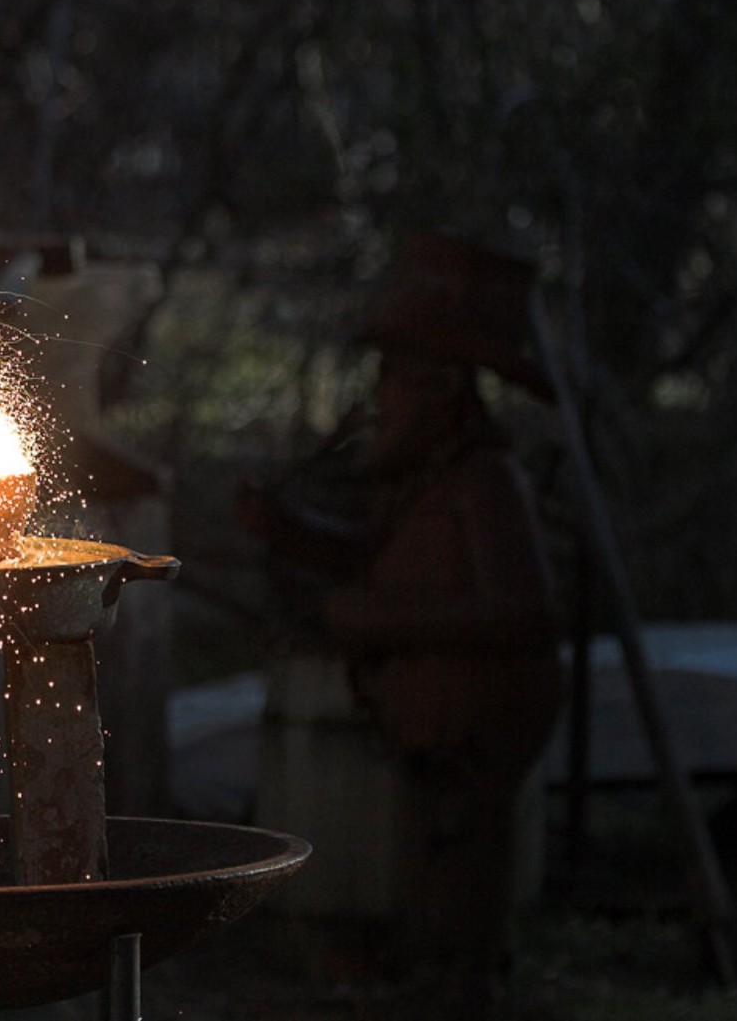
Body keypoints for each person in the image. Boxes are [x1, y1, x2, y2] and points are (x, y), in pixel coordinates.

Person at [236, 233, 562, 1014]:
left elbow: (523, 609)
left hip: (483, 713)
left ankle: (464, 984)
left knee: (468, 847)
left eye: (395, 379)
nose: (378, 399)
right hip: (436, 722)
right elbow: (379, 561)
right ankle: (434, 975)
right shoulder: (428, 480)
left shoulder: (486, 483)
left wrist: (368, 617)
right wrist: (292, 533)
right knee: (437, 849)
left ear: (444, 390)